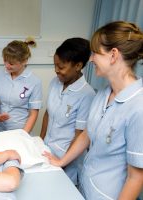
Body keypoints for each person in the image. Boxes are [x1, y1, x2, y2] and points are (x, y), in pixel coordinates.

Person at [44, 21, 143, 200]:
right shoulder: (103, 94)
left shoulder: (138, 106)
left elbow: (136, 177)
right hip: (85, 186)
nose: (90, 59)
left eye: (96, 53)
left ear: (113, 55)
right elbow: (87, 133)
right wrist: (61, 161)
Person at [40, 38, 95, 185]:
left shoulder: (87, 94)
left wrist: (62, 162)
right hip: (47, 150)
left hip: (66, 158)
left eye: (61, 67)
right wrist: (40, 141)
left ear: (78, 66)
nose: (56, 70)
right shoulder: (55, 82)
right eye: (55, 65)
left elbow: (80, 135)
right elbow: (48, 113)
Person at [0, 40, 42, 134]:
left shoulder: (34, 82)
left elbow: (33, 114)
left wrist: (23, 135)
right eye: (5, 61)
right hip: (0, 129)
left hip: (20, 130)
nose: (6, 65)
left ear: (24, 61)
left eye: (11, 63)